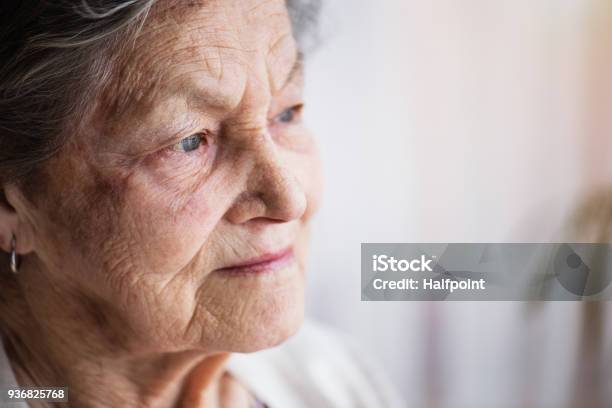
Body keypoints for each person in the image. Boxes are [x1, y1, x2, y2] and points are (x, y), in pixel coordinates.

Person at [0, 1, 401, 406]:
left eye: (286, 114)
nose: (288, 199)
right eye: (189, 140)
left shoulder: (336, 383)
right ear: (9, 202)